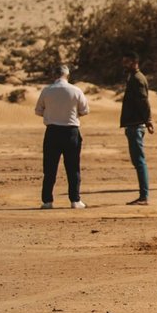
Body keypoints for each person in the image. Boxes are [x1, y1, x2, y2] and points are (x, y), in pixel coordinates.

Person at [35, 64, 90, 209]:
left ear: (54, 75)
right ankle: (75, 200)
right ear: (67, 75)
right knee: (73, 167)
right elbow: (85, 110)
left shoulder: (47, 90)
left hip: (52, 131)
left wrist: (51, 114)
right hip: (71, 131)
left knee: (50, 168)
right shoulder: (76, 90)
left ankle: (47, 201)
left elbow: (38, 110)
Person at [121, 54, 153, 204]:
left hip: (136, 125)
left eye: (127, 62)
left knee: (139, 161)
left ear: (134, 62)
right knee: (138, 160)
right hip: (135, 124)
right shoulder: (134, 78)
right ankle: (143, 195)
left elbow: (143, 101)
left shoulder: (137, 79)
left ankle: (143, 196)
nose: (124, 64)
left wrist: (148, 120)